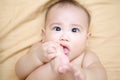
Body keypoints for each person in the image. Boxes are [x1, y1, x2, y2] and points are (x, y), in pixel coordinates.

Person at [15, 0, 107, 80]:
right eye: (57, 28)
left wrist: (84, 75)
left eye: (74, 30)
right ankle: (53, 68)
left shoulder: (86, 57)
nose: (64, 37)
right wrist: (37, 57)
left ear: (86, 39)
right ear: (44, 35)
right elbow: (20, 73)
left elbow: (100, 75)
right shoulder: (41, 49)